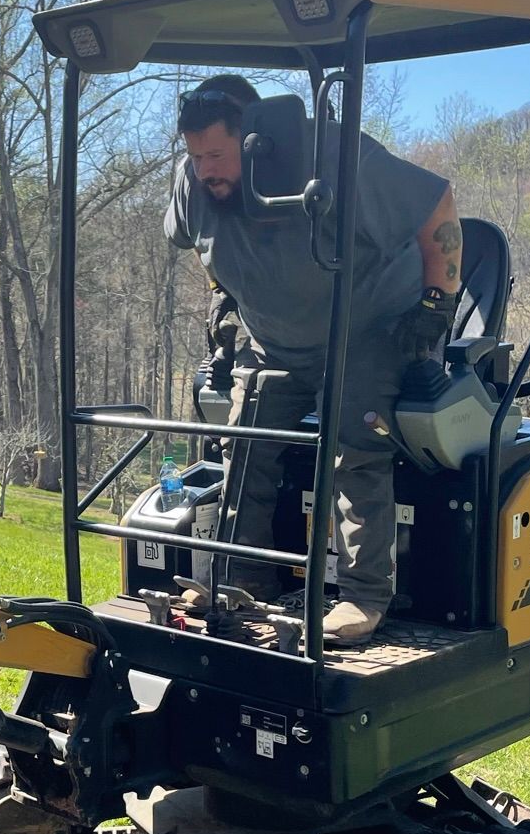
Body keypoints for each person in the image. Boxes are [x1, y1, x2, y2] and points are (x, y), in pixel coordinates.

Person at [165, 75, 463, 644]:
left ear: (253, 138)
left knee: (352, 451)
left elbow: (437, 205)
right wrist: (221, 294)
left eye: (217, 154)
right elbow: (200, 243)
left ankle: (363, 598)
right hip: (274, 338)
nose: (206, 168)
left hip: (366, 331)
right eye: (195, 154)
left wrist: (435, 303)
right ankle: (237, 580)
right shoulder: (194, 182)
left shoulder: (336, 156)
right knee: (244, 447)